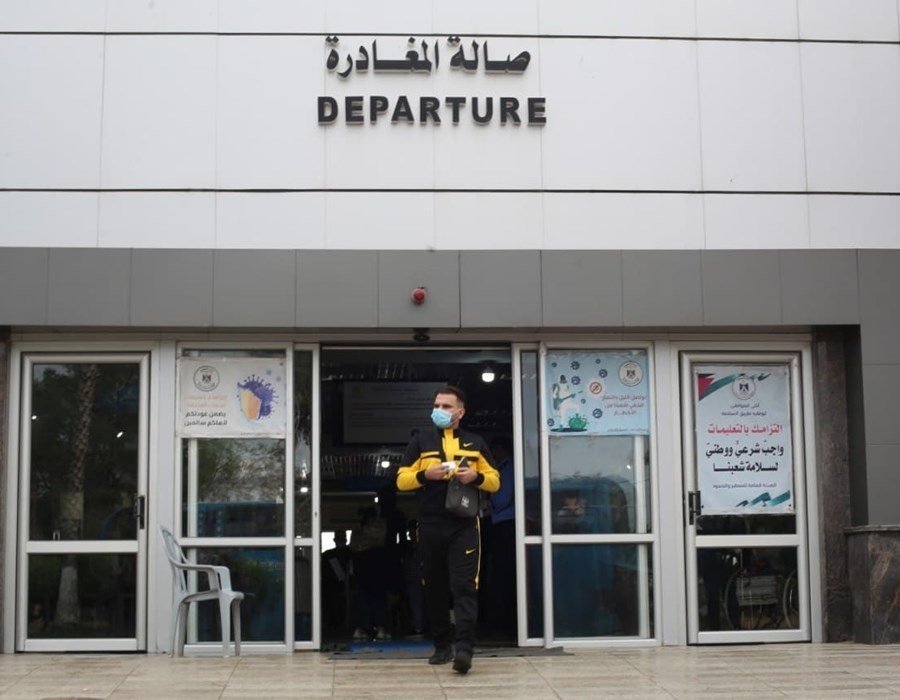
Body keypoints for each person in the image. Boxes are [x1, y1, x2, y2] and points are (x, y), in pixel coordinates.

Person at [396, 385, 500, 675]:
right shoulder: (421, 441)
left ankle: (465, 649)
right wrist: (424, 474)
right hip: (430, 524)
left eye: (446, 406)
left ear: (460, 412)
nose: (439, 411)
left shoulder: (476, 442)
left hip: (464, 525)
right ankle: (442, 646)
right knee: (434, 588)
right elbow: (401, 480)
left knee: (465, 587)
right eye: (436, 406)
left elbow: (495, 481)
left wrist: (475, 476)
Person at [485, 435, 516, 641]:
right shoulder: (506, 467)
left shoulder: (507, 468)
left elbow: (502, 498)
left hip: (506, 524)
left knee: (504, 575)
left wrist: (489, 502)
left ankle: (506, 624)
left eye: (494, 451)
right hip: (504, 524)